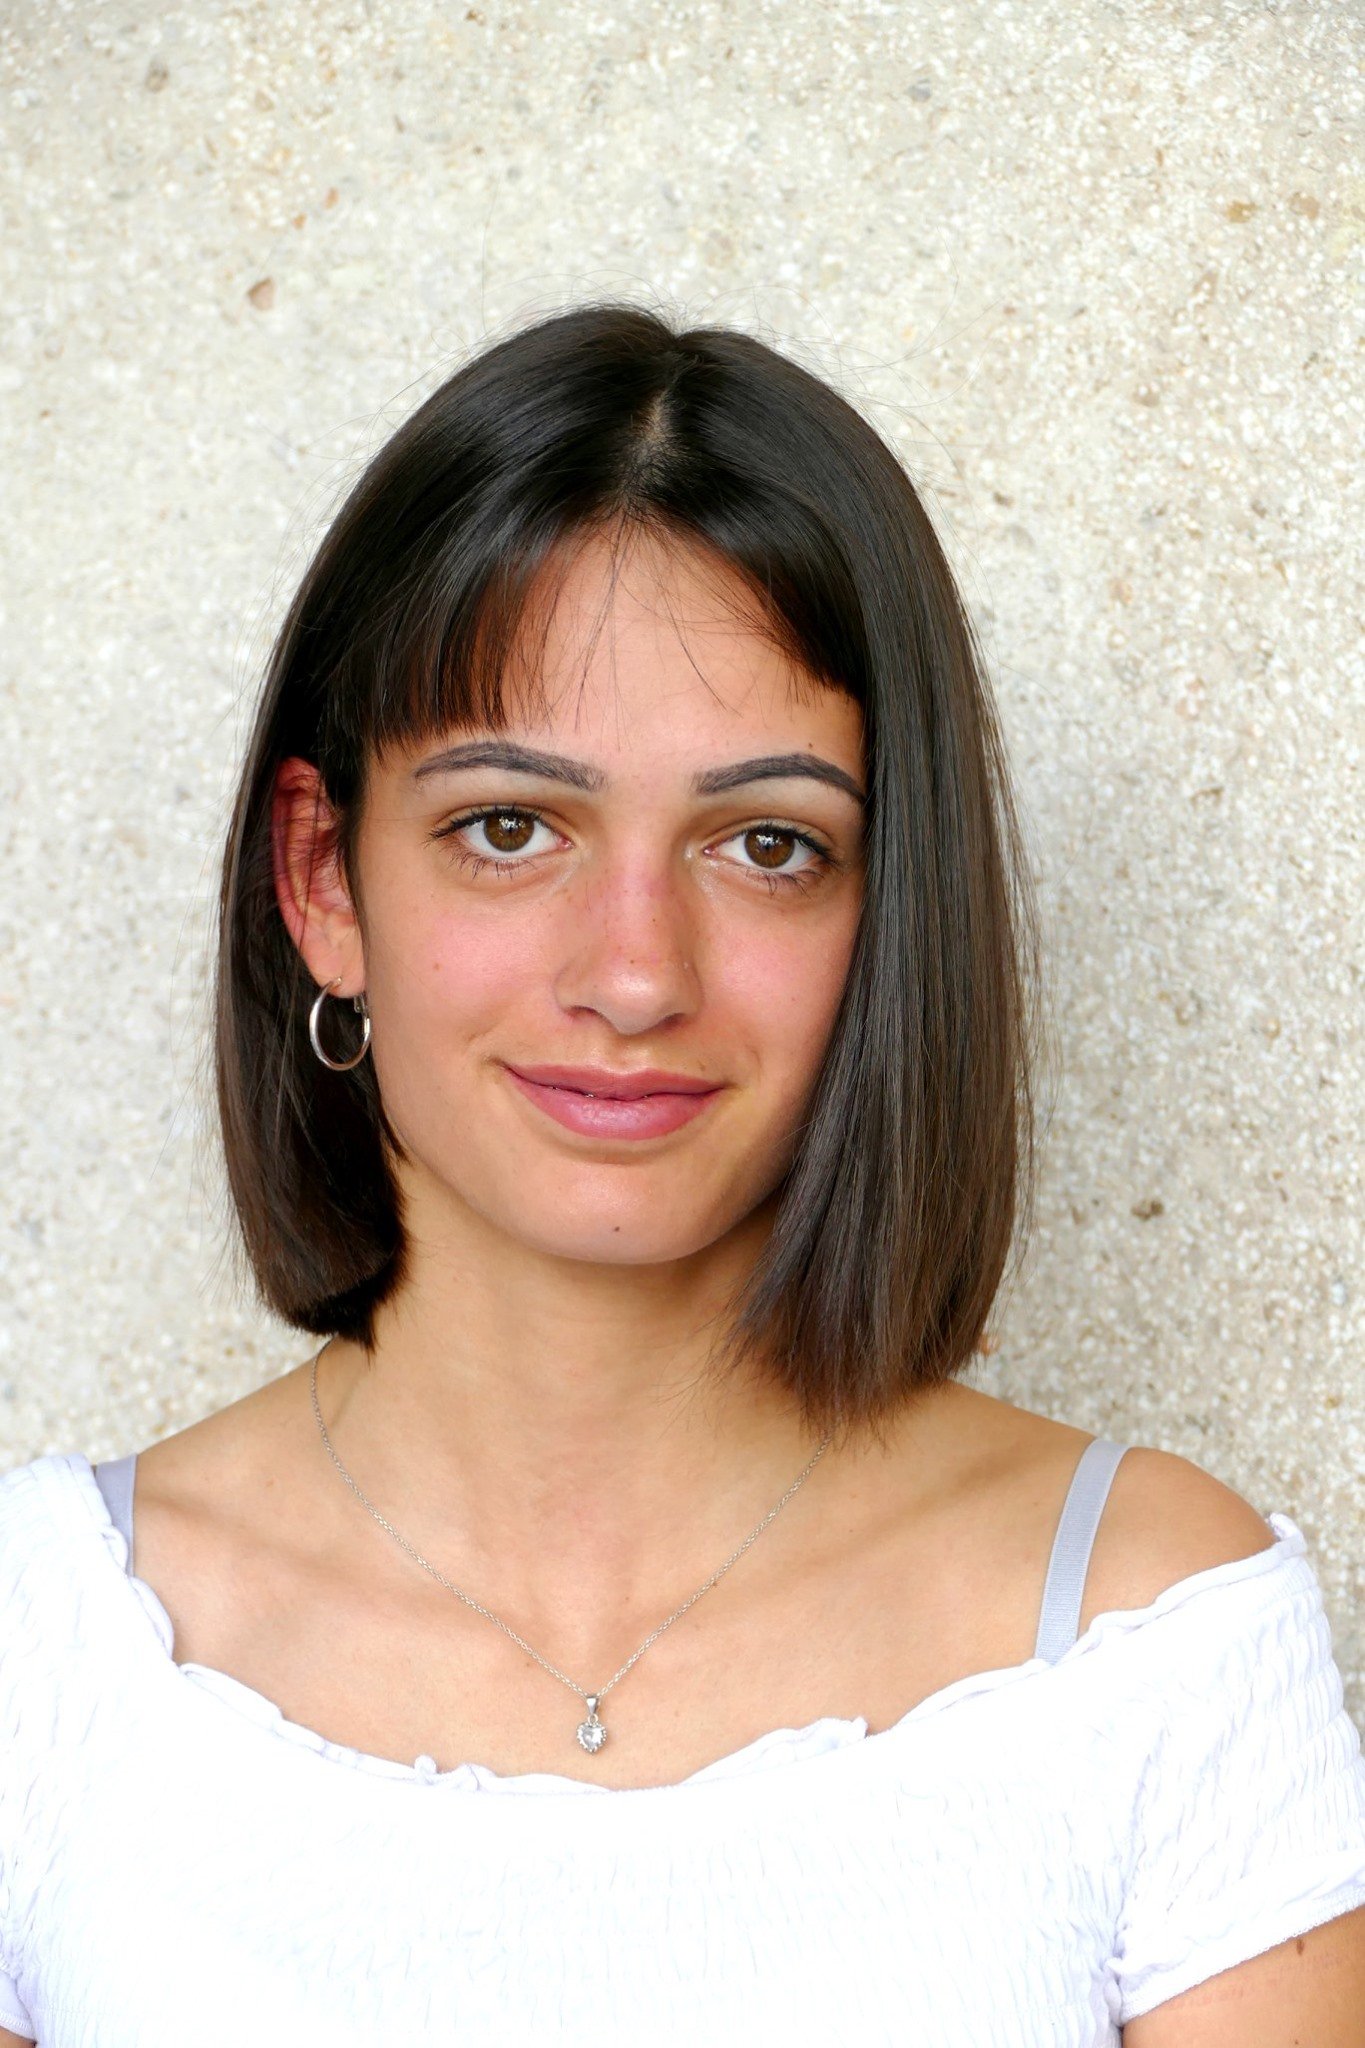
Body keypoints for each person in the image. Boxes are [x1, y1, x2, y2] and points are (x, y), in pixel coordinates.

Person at [2, 301, 1363, 2048]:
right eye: (508, 827)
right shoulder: (49, 1651)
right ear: (325, 881)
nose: (636, 974)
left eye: (767, 844)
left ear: (890, 913)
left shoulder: (1149, 1634)